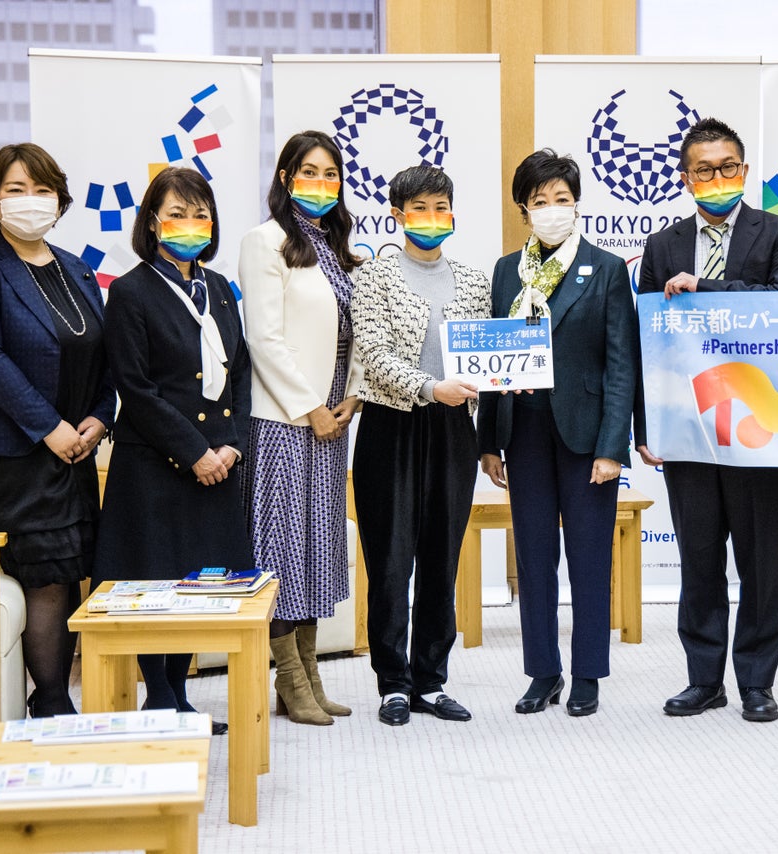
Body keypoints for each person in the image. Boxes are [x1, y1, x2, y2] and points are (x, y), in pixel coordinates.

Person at [634, 117, 778, 723]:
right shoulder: (661, 246)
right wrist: (645, 425)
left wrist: (706, 287)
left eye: (727, 166)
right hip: (687, 427)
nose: (717, 178)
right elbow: (646, 341)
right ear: (685, 178)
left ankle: (757, 682)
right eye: (703, 169)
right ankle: (703, 678)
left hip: (759, 424)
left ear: (744, 170)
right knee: (699, 559)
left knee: (761, 560)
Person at [0, 143, 114, 718]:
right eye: (16, 190)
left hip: (74, 447)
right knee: (45, 573)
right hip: (14, 452)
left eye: (42, 190)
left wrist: (99, 416)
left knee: (71, 569)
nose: (30, 201)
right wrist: (50, 428)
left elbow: (102, 356)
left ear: (60, 200)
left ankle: (53, 698)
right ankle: (51, 703)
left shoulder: (77, 269)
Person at [478, 149, 637, 717]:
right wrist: (488, 441)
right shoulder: (504, 271)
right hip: (522, 433)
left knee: (590, 556)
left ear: (577, 205)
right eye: (540, 201)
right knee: (535, 556)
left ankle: (588, 673)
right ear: (524, 209)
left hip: (586, 435)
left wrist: (613, 447)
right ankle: (542, 671)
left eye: (562, 200)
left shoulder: (608, 268)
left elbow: (622, 366)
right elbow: (488, 358)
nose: (552, 210)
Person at [93, 166, 251, 732]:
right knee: (154, 582)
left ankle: (179, 698)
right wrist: (195, 451)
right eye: (177, 213)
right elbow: (135, 389)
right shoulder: (131, 292)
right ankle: (158, 698)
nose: (190, 224)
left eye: (200, 213)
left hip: (218, 461)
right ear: (152, 223)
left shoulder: (221, 290)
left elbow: (240, 373)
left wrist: (230, 445)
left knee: (195, 584)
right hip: (157, 466)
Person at [351, 166, 491, 726]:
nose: (432, 218)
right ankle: (393, 682)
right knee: (390, 562)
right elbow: (374, 357)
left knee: (442, 559)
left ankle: (432, 680)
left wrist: (502, 376)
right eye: (420, 207)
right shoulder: (373, 279)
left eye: (441, 206)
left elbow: (487, 355)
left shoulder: (475, 280)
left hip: (455, 430)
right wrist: (431, 387)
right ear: (396, 215)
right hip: (393, 425)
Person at [238, 131, 362, 726]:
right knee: (283, 549)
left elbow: (353, 332)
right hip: (285, 423)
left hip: (333, 422)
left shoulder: (338, 247)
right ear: (286, 176)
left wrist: (352, 397)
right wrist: (311, 406)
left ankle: (309, 676)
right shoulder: (264, 242)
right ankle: (288, 679)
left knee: (316, 548)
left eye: (331, 174)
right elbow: (264, 339)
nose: (320, 182)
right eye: (308, 171)